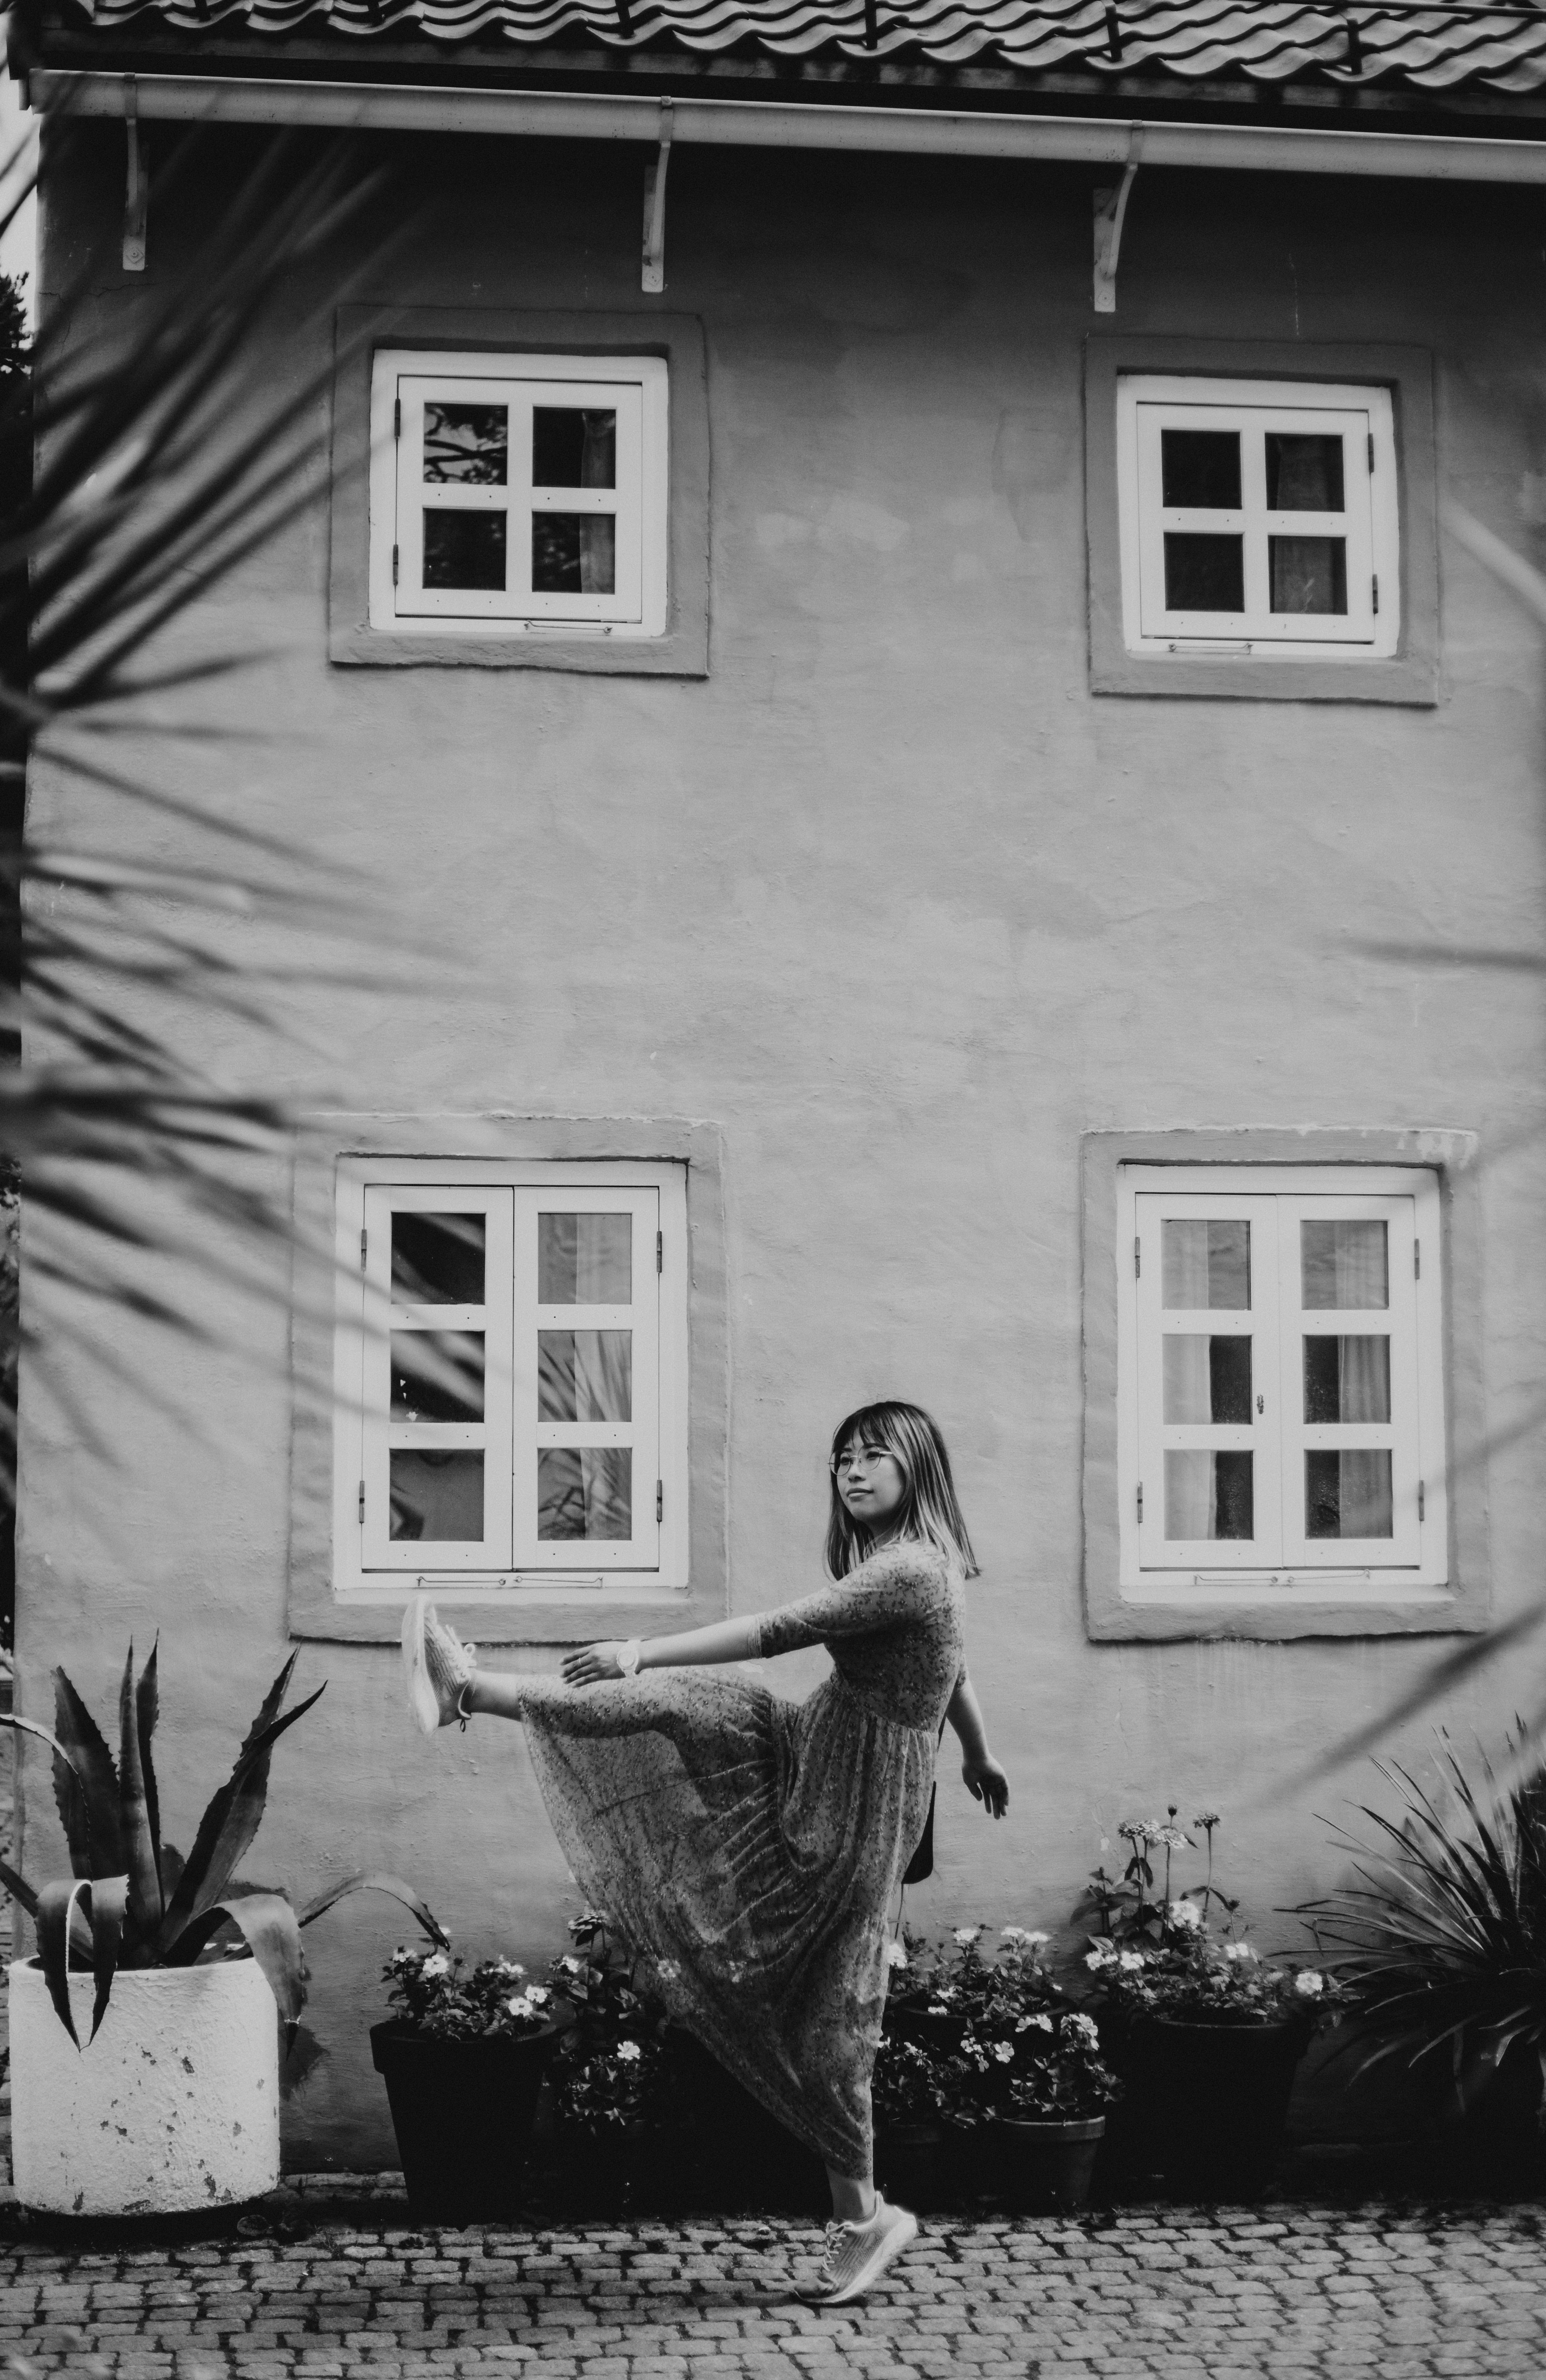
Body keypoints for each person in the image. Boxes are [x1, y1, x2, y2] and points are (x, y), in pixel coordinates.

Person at [402, 1398, 1009, 2305]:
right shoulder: (910, 1563)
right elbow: (953, 1669)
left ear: (917, 1466)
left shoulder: (910, 1568)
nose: (851, 1471)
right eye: (842, 1457)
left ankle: (865, 2219)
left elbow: (779, 1628)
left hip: (848, 1806)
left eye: (873, 1456)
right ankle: (471, 1690)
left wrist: (637, 1653)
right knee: (689, 1709)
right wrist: (977, 1755)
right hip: (819, 1752)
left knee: (828, 2021)